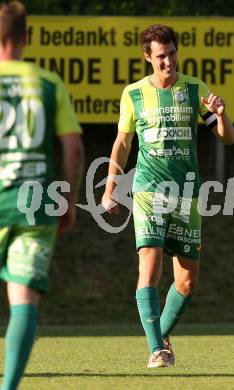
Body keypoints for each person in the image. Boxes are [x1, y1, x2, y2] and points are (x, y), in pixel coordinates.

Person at [102, 24, 234, 368]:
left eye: (172, 54)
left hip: (186, 193)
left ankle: (159, 335)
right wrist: (111, 188)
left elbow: (226, 137)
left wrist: (222, 115)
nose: (168, 62)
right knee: (151, 264)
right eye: (161, 56)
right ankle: (158, 350)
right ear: (148, 57)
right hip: (147, 190)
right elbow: (123, 142)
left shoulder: (194, 89)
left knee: (187, 282)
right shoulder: (133, 93)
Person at [0, 1, 84, 388]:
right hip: (34, 205)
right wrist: (67, 200)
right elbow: (73, 149)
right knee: (23, 304)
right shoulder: (48, 84)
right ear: (26, 38)